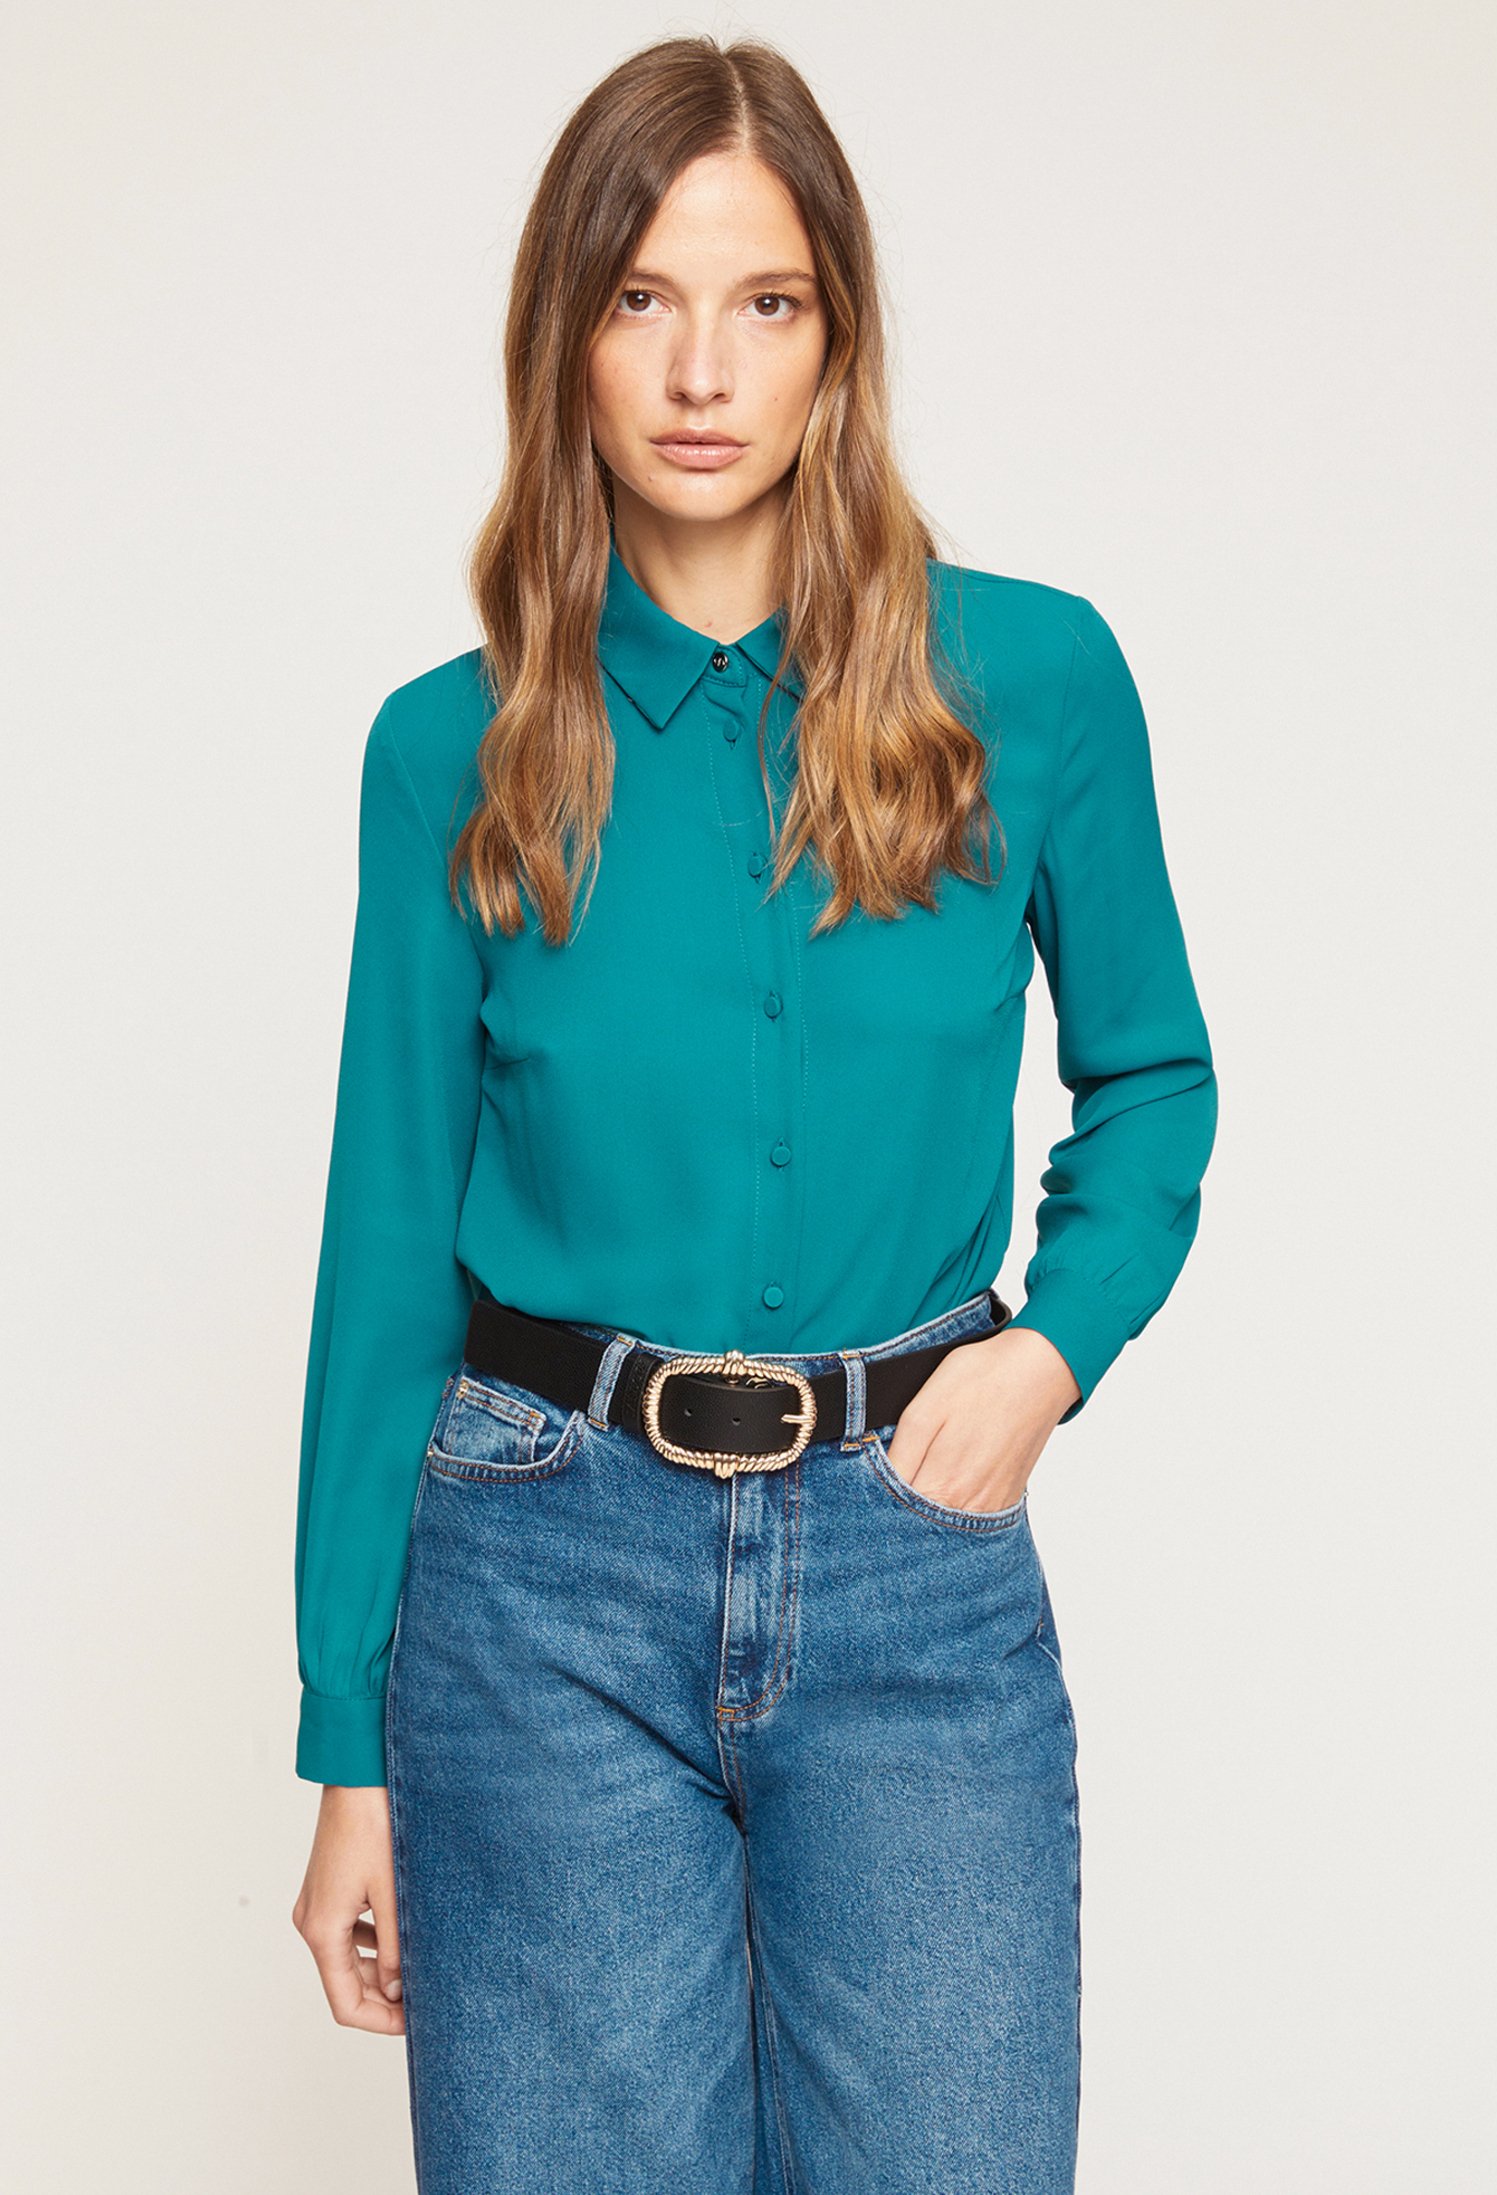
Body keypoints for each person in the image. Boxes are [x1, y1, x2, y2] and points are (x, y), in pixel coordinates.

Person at [288, 33, 1217, 2195]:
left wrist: (1049, 1354)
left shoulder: (1034, 684)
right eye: (642, 298)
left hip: (914, 1565)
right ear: (567, 335)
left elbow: (1155, 1077)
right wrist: (348, 1742)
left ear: (837, 340)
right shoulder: (450, 752)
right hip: (535, 1586)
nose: (702, 370)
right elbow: (386, 1243)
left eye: (765, 302)